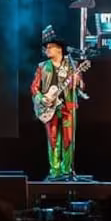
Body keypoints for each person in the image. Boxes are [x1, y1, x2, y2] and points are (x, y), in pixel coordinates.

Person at [31, 36, 86, 180]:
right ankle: (55, 171)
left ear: (59, 49)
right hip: (50, 108)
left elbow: (82, 86)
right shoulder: (43, 66)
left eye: (50, 47)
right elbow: (34, 88)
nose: (47, 50)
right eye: (46, 47)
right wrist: (42, 98)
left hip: (68, 107)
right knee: (53, 139)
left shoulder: (72, 65)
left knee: (68, 139)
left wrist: (77, 81)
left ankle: (67, 169)